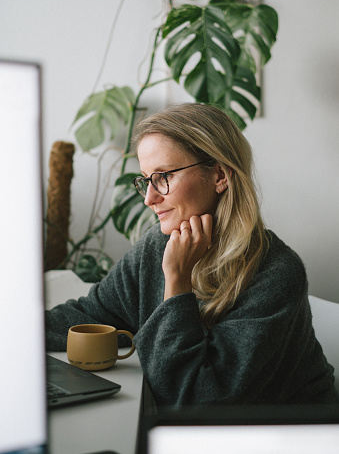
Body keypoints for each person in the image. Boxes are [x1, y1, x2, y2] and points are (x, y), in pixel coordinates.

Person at [45, 103, 339, 407]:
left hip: (286, 439)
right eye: (145, 180)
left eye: (163, 177)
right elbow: (92, 315)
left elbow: (192, 399)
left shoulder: (276, 274)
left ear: (220, 175)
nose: (149, 198)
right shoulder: (158, 245)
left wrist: (176, 278)